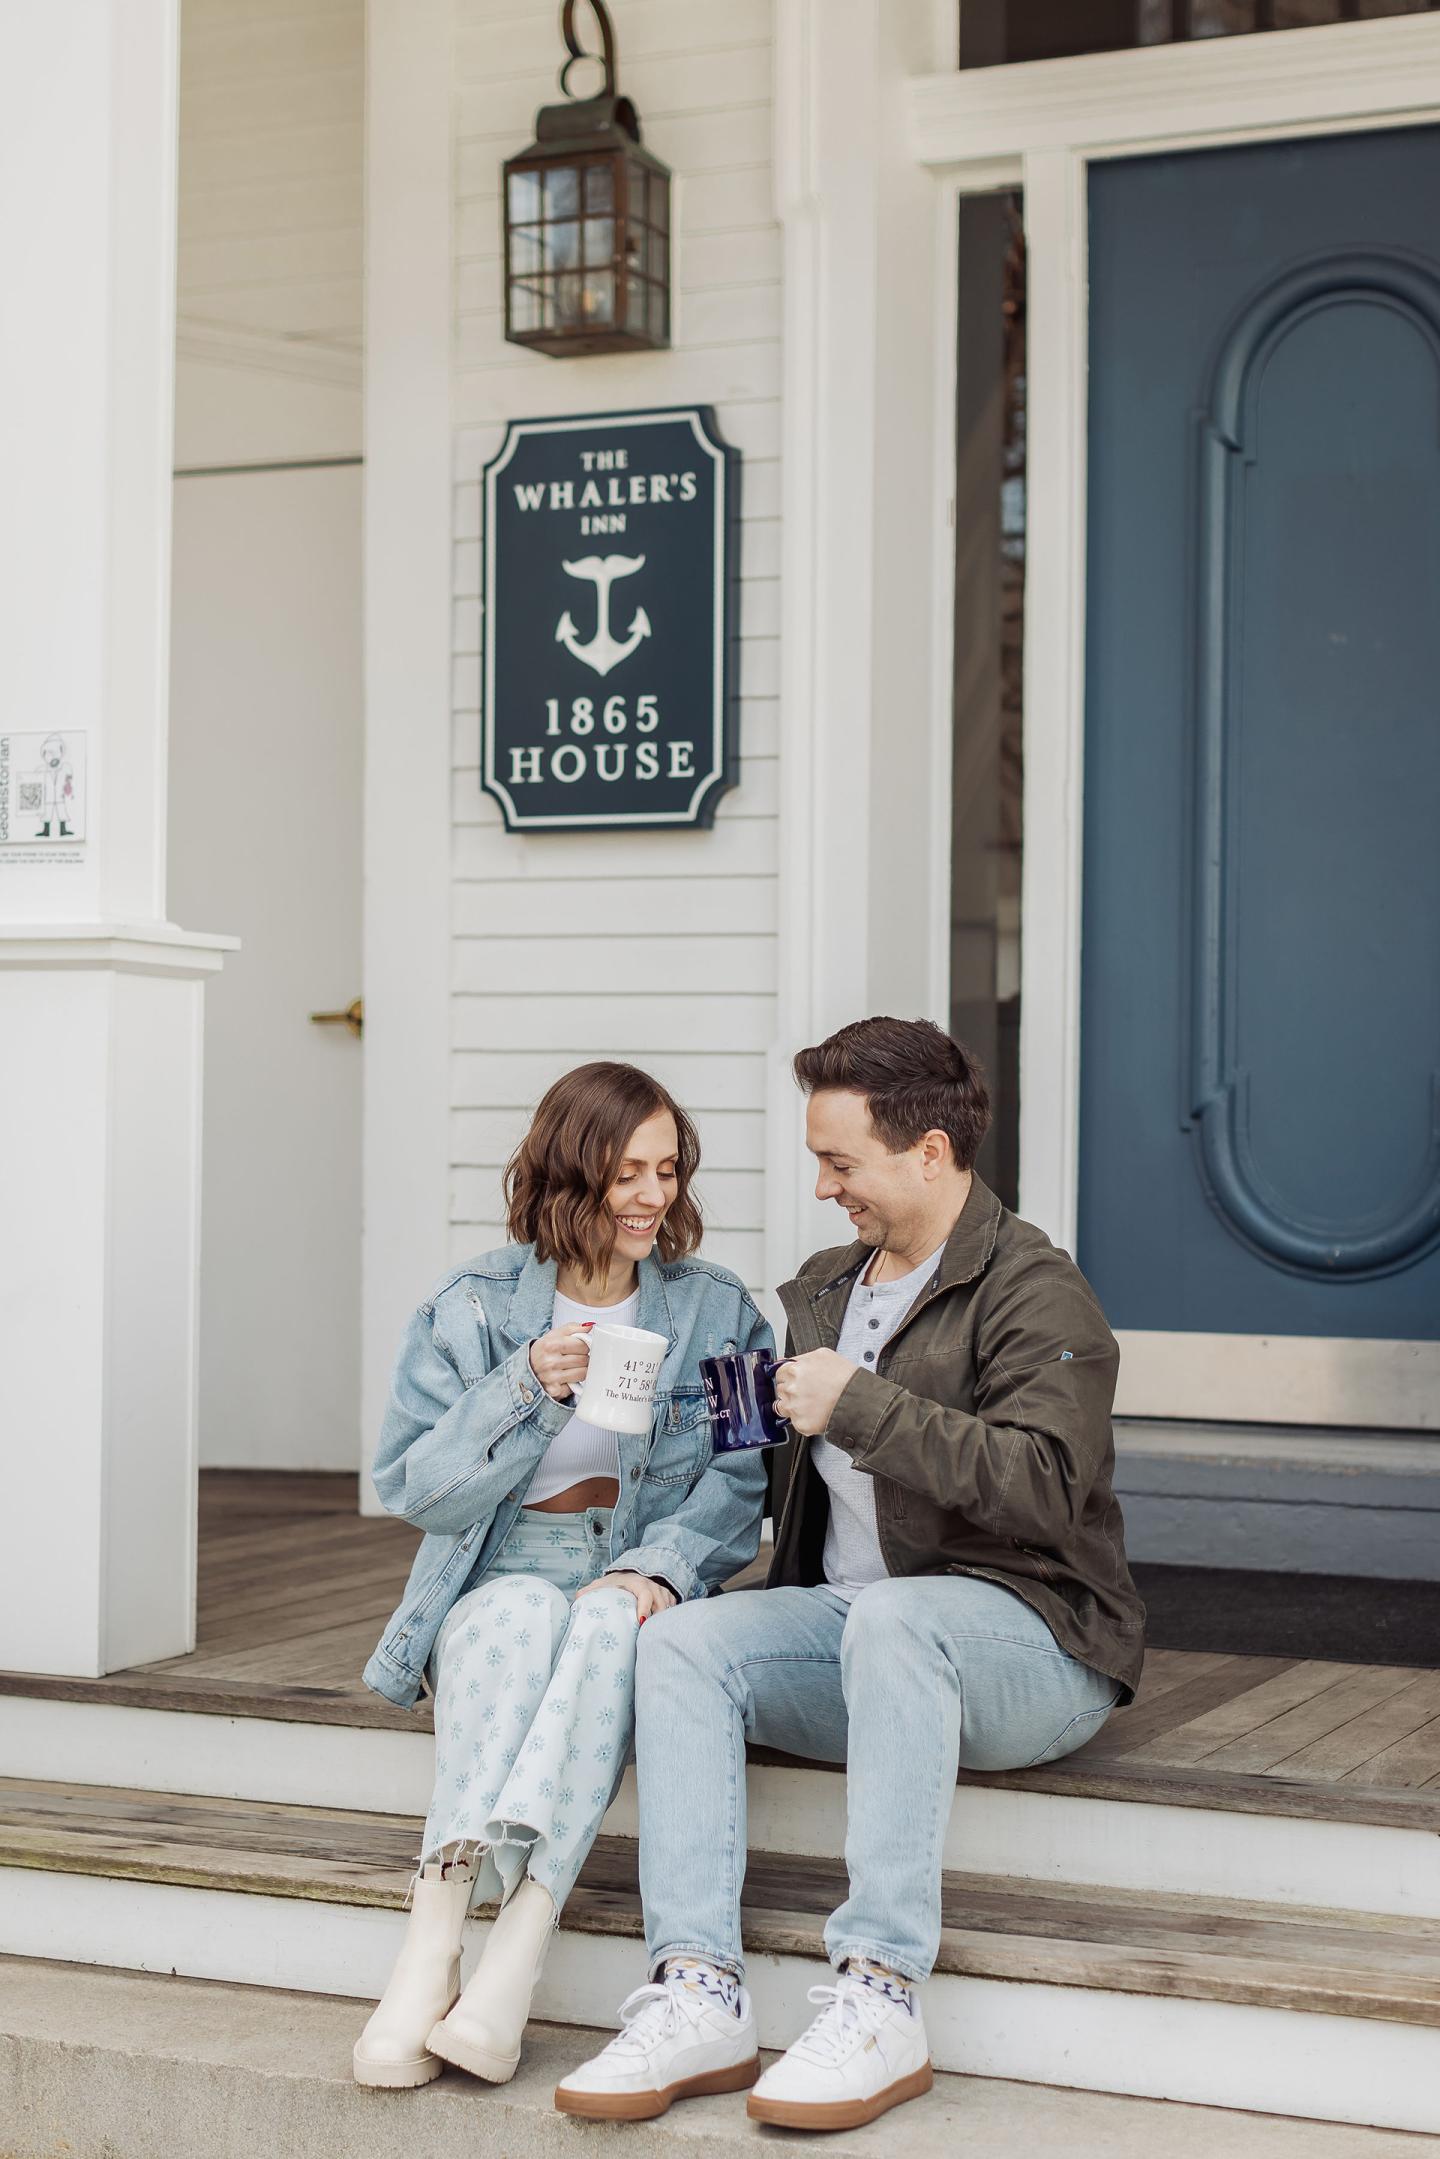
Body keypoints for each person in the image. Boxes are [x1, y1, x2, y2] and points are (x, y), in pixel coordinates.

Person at [557, 1017, 1144, 2133]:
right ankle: (698, 1991)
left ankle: (882, 1993)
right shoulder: (825, 1287)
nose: (824, 1187)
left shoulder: (1035, 1288)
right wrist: (668, 1532)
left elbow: (1046, 1481)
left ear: (930, 1150)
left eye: (841, 1162)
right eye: (818, 1160)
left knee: (901, 1621)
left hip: (1037, 1645)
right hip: (854, 1630)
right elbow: (757, 1464)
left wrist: (863, 1407)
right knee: (679, 1640)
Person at [352, 1061, 770, 2092]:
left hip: (638, 1567)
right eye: (626, 1170)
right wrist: (522, 1385)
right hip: (500, 1566)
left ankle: (515, 1952)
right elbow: (413, 1485)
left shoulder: (725, 1311)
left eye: (668, 1169)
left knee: (603, 1624)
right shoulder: (469, 1305)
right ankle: (434, 1940)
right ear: (568, 1170)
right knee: (523, 1620)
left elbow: (749, 1473)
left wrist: (662, 1568)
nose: (651, 1195)